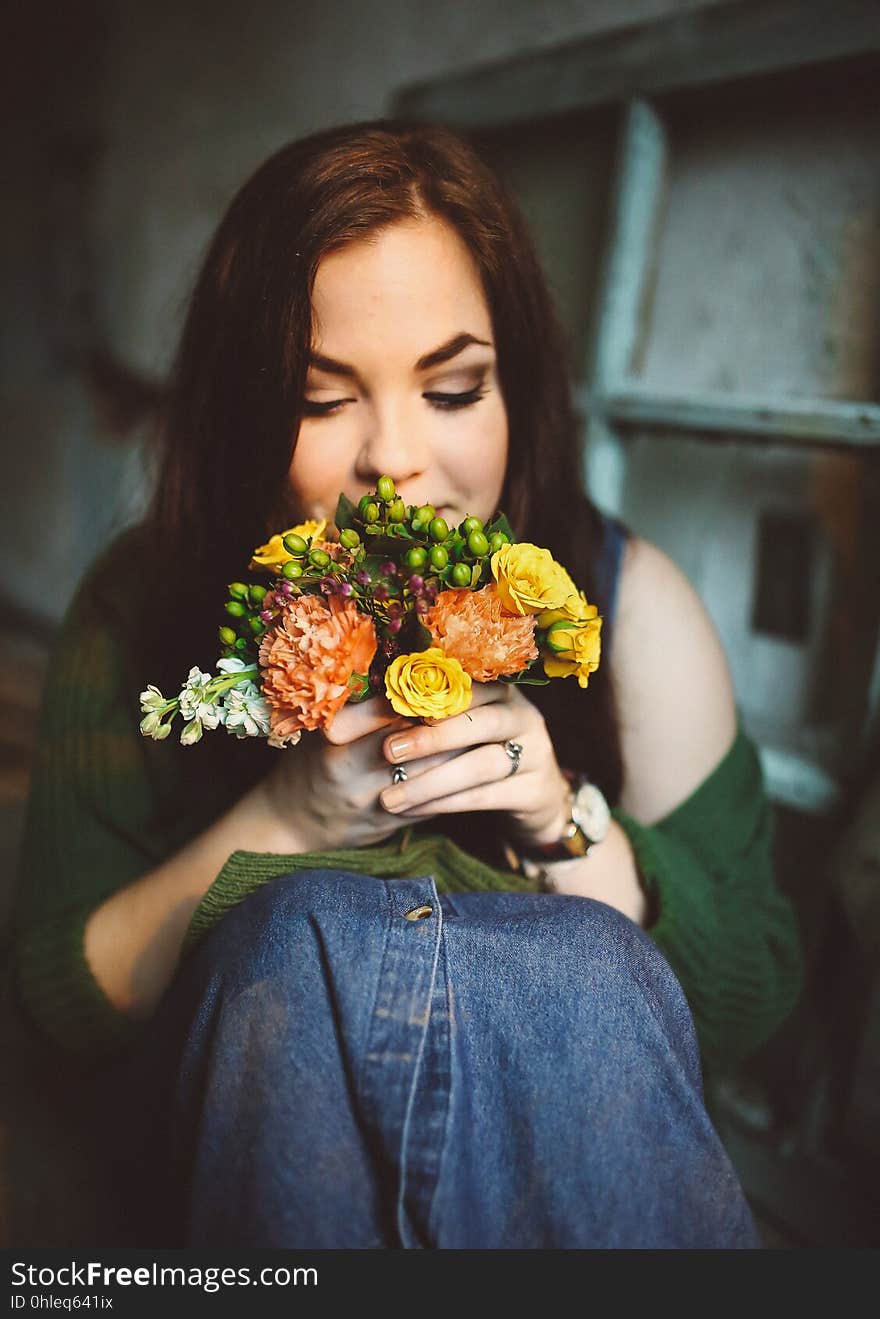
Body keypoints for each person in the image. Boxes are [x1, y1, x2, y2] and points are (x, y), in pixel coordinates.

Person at [11, 118, 803, 1249]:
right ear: (244, 405)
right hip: (251, 1163)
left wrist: (561, 824)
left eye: (454, 388)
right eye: (321, 398)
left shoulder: (628, 604)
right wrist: (288, 813)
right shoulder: (143, 604)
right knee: (307, 938)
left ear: (515, 388)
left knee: (575, 967)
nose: (394, 458)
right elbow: (58, 1010)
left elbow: (748, 996)